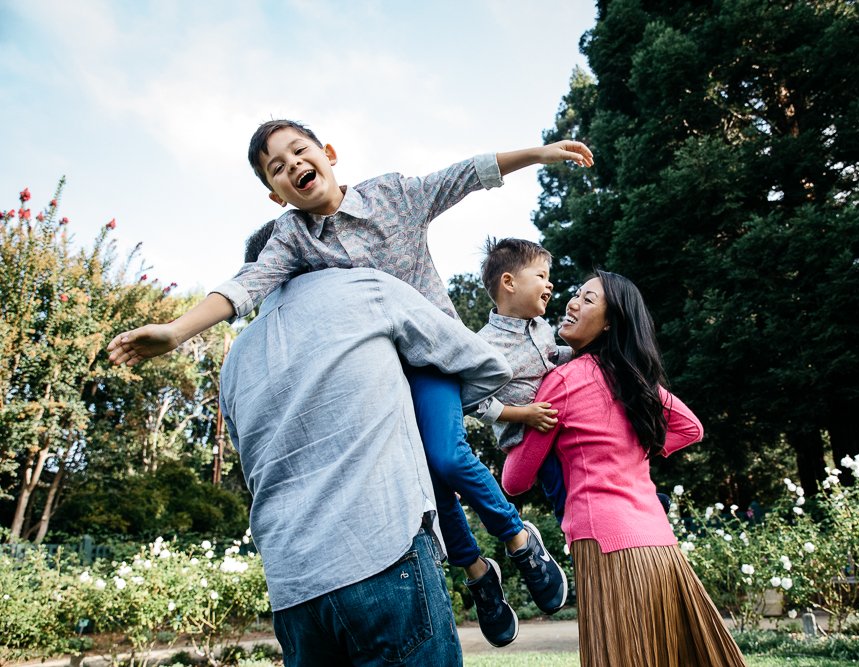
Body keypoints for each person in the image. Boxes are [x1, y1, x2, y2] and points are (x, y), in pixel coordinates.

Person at [108, 120, 591, 646]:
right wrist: (176, 331)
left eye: (298, 151)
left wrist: (539, 154)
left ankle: (520, 539)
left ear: (327, 153)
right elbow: (250, 284)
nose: (292, 165)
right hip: (373, 379)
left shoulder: (391, 195)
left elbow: (464, 175)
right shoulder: (292, 237)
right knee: (425, 487)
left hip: (428, 358)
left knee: (447, 458)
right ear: (275, 195)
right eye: (277, 167)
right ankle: (478, 575)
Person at [220, 231, 514, 664]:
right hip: (382, 551)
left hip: (292, 586)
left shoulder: (234, 363)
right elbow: (488, 364)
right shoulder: (365, 288)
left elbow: (248, 458)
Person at [502, 269, 748, 667]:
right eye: (576, 294)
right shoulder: (635, 381)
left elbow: (514, 481)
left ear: (610, 322)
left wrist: (515, 427)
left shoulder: (562, 382)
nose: (572, 302)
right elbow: (692, 428)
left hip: (605, 544)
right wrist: (633, 450)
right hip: (661, 546)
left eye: (588, 299)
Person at [475, 237, 572, 523]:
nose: (550, 284)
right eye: (541, 276)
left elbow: (552, 357)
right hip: (528, 435)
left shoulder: (541, 328)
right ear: (509, 282)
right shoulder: (485, 345)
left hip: (556, 418)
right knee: (560, 484)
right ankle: (572, 522)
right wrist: (524, 415)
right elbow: (477, 404)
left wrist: (580, 353)